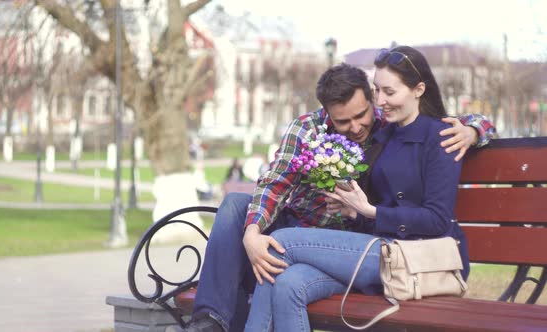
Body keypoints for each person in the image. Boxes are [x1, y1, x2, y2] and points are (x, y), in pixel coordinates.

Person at [181, 62, 495, 332]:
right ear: (327, 113)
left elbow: (454, 122)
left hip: (351, 240)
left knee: (282, 260)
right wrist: (251, 235)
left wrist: (474, 130)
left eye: (361, 115)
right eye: (343, 121)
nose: (356, 127)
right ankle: (211, 319)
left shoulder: (389, 121)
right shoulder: (308, 128)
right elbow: (275, 183)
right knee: (236, 205)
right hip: (302, 227)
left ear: (371, 98)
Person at [243, 45, 470, 331]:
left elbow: (437, 220)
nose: (382, 102)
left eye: (390, 92)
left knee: (280, 242)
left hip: (415, 256)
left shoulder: (442, 136)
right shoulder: (381, 135)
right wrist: (354, 213)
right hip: (375, 253)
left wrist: (370, 211)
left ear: (418, 89)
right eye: (378, 91)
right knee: (288, 283)